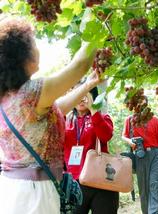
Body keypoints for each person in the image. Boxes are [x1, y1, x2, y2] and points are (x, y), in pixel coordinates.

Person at [0, 16, 97, 213]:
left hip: (14, 189)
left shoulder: (10, 98)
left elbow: (55, 110)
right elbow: (80, 64)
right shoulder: (30, 93)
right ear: (23, 55)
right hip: (35, 194)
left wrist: (87, 86)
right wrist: (95, 17)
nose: (38, 49)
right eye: (34, 44)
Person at [60, 76, 119, 214]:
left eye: (85, 95)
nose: (81, 99)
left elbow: (106, 135)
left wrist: (93, 110)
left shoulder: (102, 117)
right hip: (74, 183)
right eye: (77, 94)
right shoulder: (65, 120)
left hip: (101, 181)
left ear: (92, 96)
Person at [121, 97, 158, 214]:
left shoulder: (154, 120)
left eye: (144, 104)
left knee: (154, 184)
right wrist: (130, 142)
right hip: (140, 155)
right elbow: (123, 136)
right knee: (143, 188)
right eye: (138, 103)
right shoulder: (129, 120)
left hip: (156, 155)